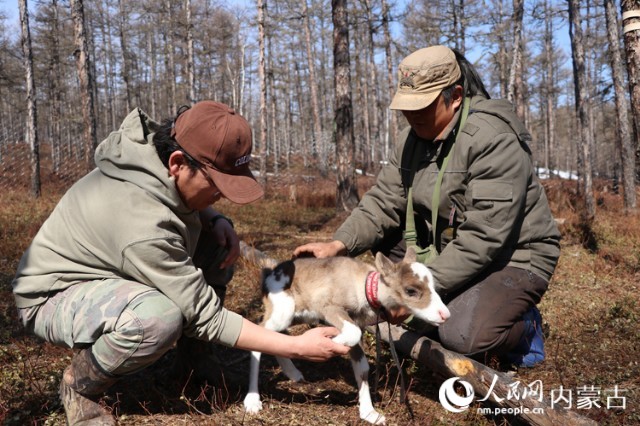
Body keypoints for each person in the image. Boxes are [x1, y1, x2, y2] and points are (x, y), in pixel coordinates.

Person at [12, 100, 350, 425]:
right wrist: (295, 347)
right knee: (158, 318)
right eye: (217, 185)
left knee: (215, 245)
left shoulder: (152, 163)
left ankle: (195, 360)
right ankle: (80, 385)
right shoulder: (141, 222)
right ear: (177, 163)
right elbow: (206, 317)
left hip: (110, 274)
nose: (222, 195)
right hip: (51, 298)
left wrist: (215, 218)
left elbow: (172, 196)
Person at [295, 46, 561, 368]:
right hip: (448, 244)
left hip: (513, 258)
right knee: (383, 250)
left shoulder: (493, 139)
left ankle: (524, 327)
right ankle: (454, 301)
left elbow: (485, 236)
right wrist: (339, 244)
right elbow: (383, 201)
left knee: (461, 335)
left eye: (422, 106)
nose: (411, 115)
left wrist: (414, 294)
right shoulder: (413, 139)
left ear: (456, 96)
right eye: (407, 107)